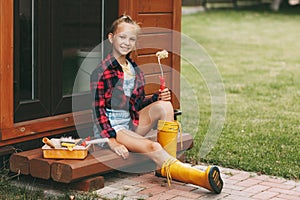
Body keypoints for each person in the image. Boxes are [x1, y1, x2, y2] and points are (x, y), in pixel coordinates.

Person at [90, 15, 223, 194]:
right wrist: (111, 141)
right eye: (122, 37)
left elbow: (135, 104)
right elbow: (98, 110)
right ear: (111, 38)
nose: (126, 42)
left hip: (130, 123)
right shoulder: (102, 71)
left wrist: (156, 98)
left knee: (165, 106)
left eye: (131, 39)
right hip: (113, 128)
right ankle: (196, 176)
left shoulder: (134, 69)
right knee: (154, 146)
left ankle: (165, 167)